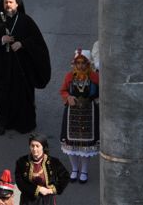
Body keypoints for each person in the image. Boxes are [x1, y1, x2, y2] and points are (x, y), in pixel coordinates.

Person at [0, 0, 51, 135]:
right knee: (2, 96)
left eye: (11, 2)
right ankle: (3, 122)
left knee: (23, 96)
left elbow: (37, 42)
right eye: (5, 2)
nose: (8, 5)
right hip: (4, 68)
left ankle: (24, 123)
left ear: (17, 4)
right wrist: (2, 40)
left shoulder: (26, 21)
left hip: (22, 68)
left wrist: (22, 44)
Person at [59, 49, 99, 184]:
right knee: (71, 144)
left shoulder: (94, 77)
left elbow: (103, 91)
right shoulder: (69, 77)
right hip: (72, 114)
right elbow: (63, 91)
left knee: (86, 145)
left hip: (89, 113)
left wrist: (97, 99)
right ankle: (75, 169)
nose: (81, 65)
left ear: (88, 64)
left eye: (83, 63)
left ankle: (84, 170)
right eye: (78, 62)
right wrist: (68, 97)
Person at [14, 134, 70, 204]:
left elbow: (65, 176)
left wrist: (52, 190)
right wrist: (38, 189)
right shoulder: (21, 162)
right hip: (28, 200)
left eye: (37, 146)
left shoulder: (53, 162)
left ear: (43, 147)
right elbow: (20, 182)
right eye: (32, 146)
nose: (34, 149)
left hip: (47, 200)